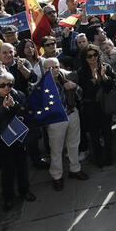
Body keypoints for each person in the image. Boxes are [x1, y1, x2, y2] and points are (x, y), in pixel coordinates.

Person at [0, 72, 34, 209]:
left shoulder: (19, 95)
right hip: (2, 140)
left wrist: (15, 105)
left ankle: (24, 191)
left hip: (18, 138)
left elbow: (26, 114)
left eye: (9, 84)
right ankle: (8, 197)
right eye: (3, 85)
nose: (6, 88)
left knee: (22, 167)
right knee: (7, 171)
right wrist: (4, 108)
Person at [40, 58, 87, 189]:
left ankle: (75, 169)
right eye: (50, 68)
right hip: (55, 121)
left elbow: (80, 95)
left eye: (56, 67)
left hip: (72, 114)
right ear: (44, 70)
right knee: (56, 149)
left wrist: (74, 86)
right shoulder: (41, 85)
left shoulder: (67, 77)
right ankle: (57, 176)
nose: (54, 70)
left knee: (73, 145)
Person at [77, 45, 116, 166]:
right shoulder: (82, 72)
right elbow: (83, 91)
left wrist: (104, 77)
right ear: (85, 58)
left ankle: (108, 157)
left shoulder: (106, 67)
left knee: (107, 132)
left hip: (105, 105)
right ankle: (98, 158)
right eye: (89, 56)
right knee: (94, 134)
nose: (93, 58)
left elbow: (112, 86)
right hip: (91, 107)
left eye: (95, 55)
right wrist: (93, 82)